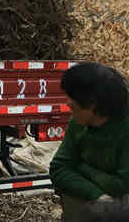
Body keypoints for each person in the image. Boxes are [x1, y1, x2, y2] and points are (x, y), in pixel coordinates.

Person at [49, 62, 129, 221]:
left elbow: (122, 185)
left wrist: (80, 167)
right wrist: (98, 195)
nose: (68, 103)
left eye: (72, 98)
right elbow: (58, 168)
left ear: (92, 104)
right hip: (100, 201)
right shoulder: (78, 122)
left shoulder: (124, 128)